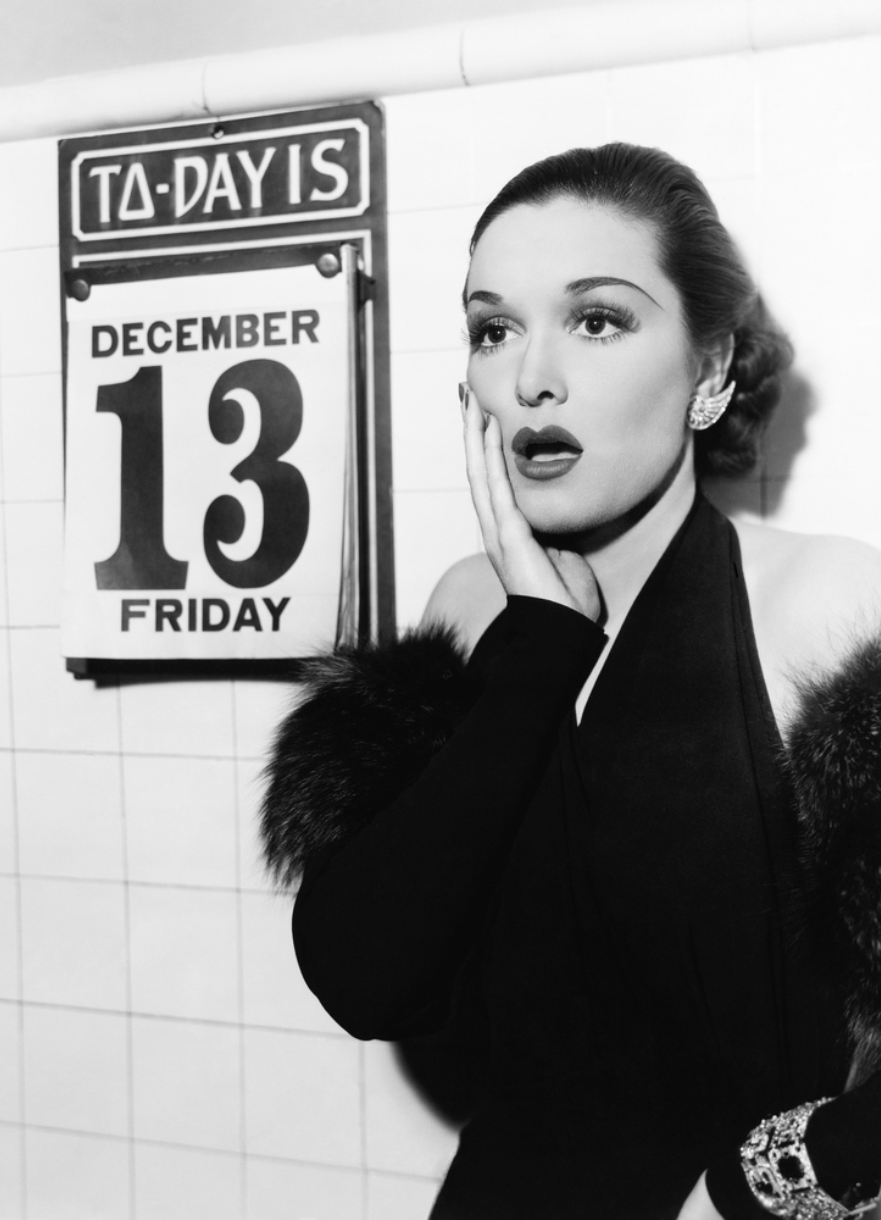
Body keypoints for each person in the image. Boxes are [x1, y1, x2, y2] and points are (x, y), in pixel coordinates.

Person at [261, 144, 881, 1219]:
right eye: (492, 329)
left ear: (710, 373)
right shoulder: (467, 612)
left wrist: (763, 1184)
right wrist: (539, 650)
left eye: (596, 320)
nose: (529, 377)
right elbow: (367, 981)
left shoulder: (832, 604)